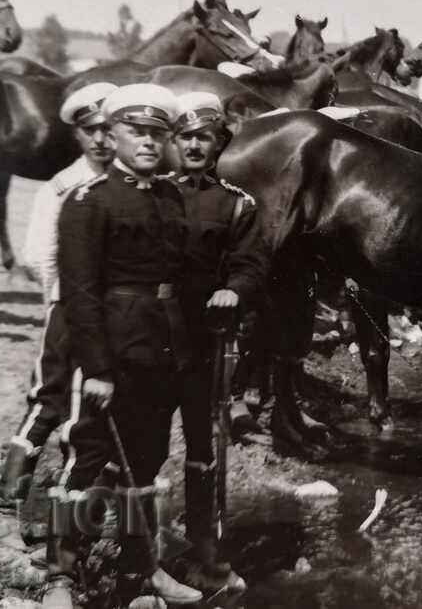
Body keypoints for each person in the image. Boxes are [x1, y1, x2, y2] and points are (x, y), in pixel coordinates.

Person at [45, 83, 201, 609]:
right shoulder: (88, 201)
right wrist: (97, 368)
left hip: (161, 348)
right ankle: (61, 575)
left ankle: (141, 569)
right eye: (137, 131)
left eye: (158, 133)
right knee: (88, 459)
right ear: (111, 136)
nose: (149, 142)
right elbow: (79, 293)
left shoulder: (171, 197)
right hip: (111, 350)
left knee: (145, 461)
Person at [0, 83, 117, 552]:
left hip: (115, 317)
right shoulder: (60, 187)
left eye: (108, 129)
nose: (100, 140)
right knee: (48, 403)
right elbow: (40, 257)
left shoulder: (126, 186)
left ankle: (82, 522)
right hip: (69, 310)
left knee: (100, 415)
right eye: (89, 130)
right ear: (77, 135)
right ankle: (4, 510)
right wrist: (58, 310)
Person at [170, 92, 265, 594]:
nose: (193, 146)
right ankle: (130, 547)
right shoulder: (152, 195)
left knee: (202, 445)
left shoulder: (235, 204)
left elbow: (250, 265)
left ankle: (201, 546)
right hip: (147, 338)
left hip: (201, 339)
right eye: (185, 136)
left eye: (203, 137)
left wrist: (235, 290)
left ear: (218, 144)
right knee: (134, 444)